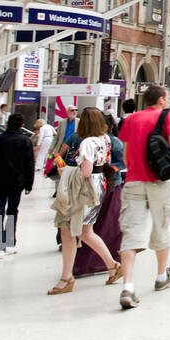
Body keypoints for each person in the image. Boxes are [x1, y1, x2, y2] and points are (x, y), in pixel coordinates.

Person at [115, 85, 170, 309]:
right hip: (158, 181)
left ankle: (128, 286)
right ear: (161, 100)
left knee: (131, 232)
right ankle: (162, 276)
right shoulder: (168, 116)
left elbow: (125, 153)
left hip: (133, 181)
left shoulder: (131, 119)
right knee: (161, 226)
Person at [48, 108, 120, 294]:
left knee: (70, 230)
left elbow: (85, 171)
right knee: (84, 231)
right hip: (98, 186)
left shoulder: (87, 142)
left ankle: (67, 277)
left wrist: (66, 172)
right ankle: (112, 266)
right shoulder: (105, 139)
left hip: (83, 188)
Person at [0, 112, 34, 259]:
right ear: (22, 125)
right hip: (17, 183)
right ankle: (10, 242)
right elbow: (29, 164)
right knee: (12, 211)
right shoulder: (25, 141)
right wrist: (29, 184)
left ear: (7, 123)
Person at [32, 117, 55, 187]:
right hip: (51, 139)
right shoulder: (50, 126)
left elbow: (41, 136)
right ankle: (48, 165)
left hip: (45, 139)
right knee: (48, 154)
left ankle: (38, 166)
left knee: (41, 154)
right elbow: (55, 133)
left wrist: (38, 145)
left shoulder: (42, 128)